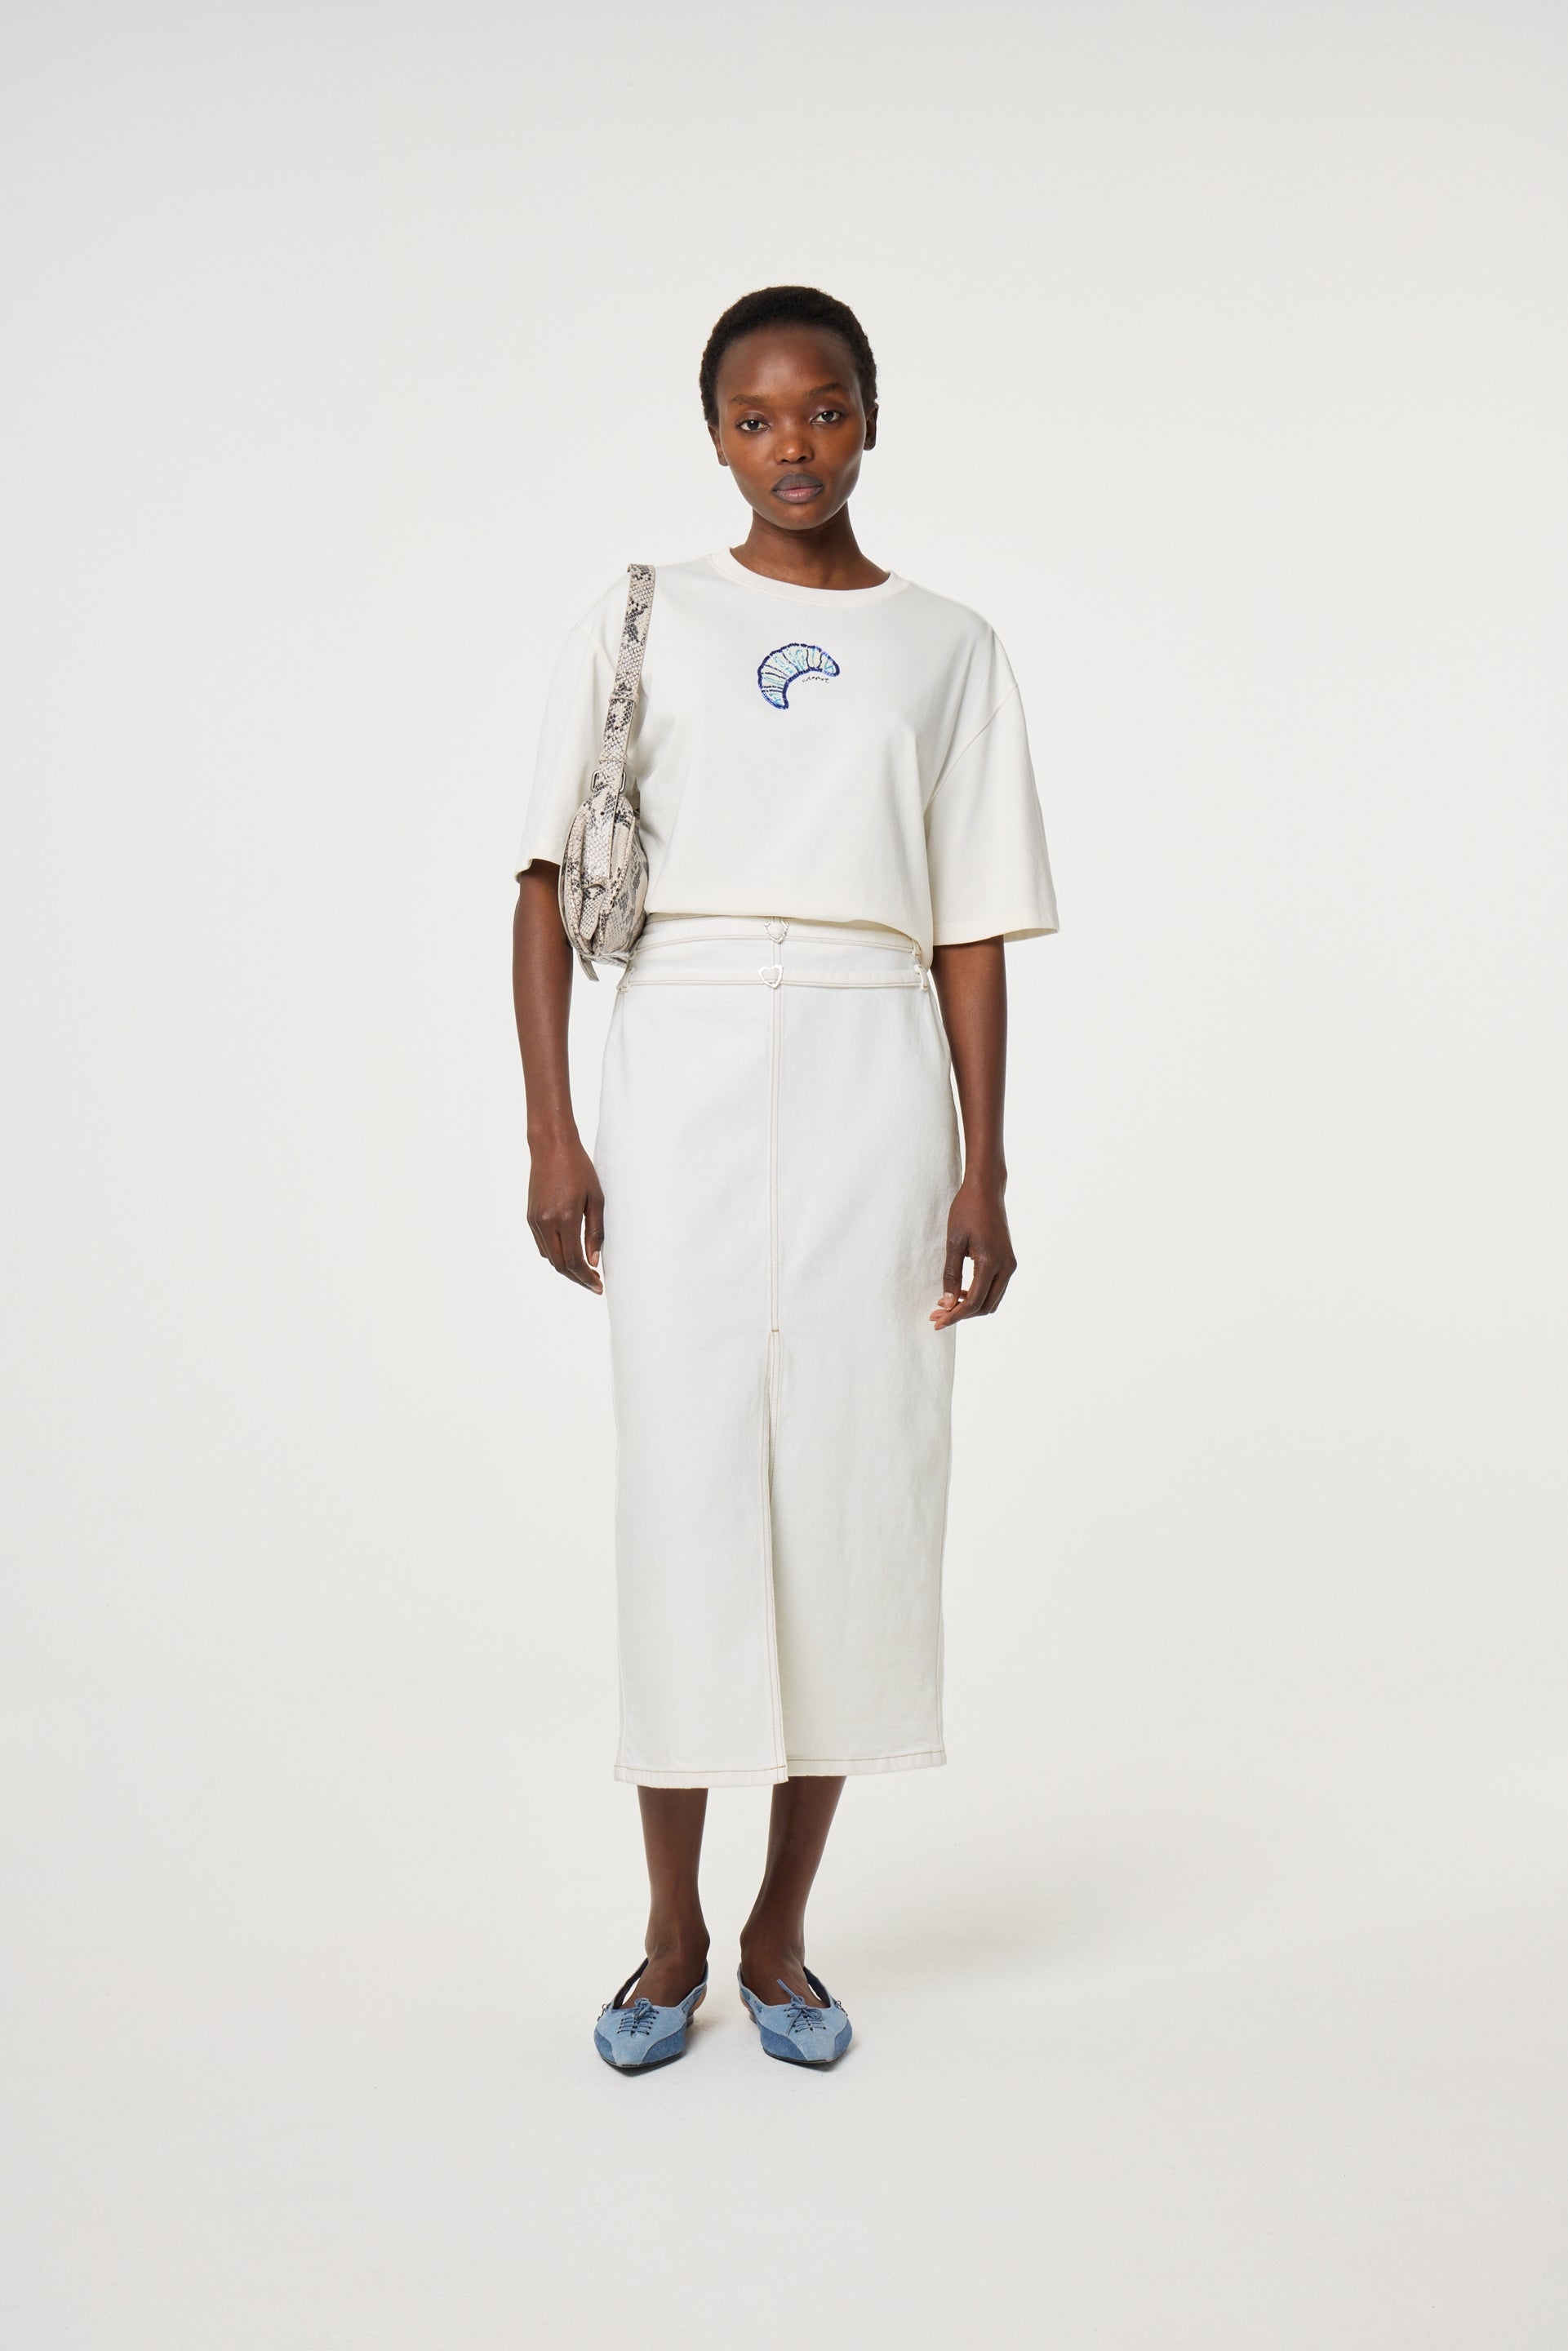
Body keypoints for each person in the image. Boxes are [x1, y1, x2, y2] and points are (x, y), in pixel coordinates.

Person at [511, 285, 1057, 2070]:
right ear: (715, 438)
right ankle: (668, 1934)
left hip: (871, 1063)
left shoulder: (949, 647)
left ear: (871, 418)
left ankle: (780, 1933)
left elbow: (972, 923)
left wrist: (983, 1167)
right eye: (755, 420)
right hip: (671, 1051)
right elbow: (540, 886)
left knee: (851, 1485)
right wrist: (552, 1131)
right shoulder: (639, 614)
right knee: (682, 1481)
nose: (792, 448)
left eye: (822, 412)